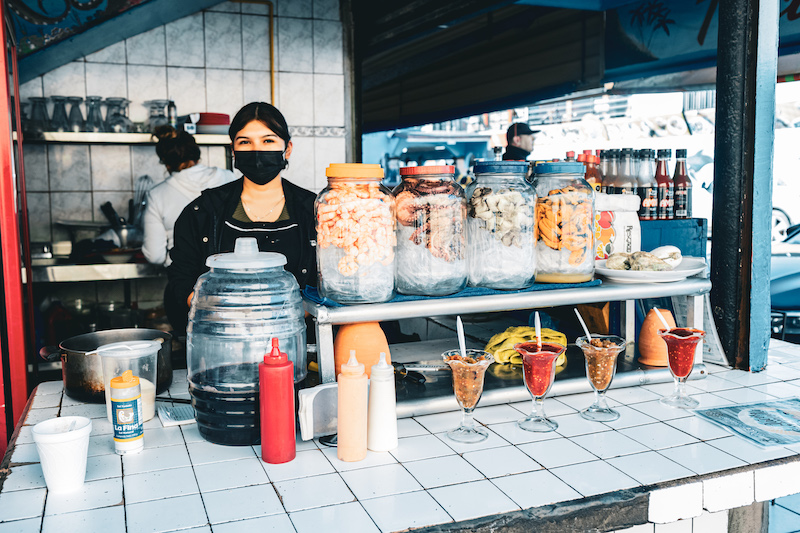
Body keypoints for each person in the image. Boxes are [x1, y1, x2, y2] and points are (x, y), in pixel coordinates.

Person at [164, 102, 317, 335]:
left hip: (298, 341)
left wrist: (287, 315)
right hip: (224, 340)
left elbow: (330, 283)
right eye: (245, 142)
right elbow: (180, 281)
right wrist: (227, 315)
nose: (257, 150)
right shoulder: (201, 212)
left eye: (268, 141)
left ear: (287, 149)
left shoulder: (316, 211)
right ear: (233, 151)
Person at [142, 126, 235, 266]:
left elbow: (155, 256)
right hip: (228, 270)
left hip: (184, 275)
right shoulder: (229, 178)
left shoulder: (157, 195)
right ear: (197, 155)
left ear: (166, 163)